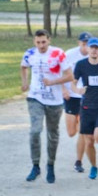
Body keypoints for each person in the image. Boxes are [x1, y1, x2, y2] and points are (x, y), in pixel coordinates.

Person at [21, 29, 66, 183]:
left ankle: (50, 165)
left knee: (52, 134)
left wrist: (53, 82)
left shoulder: (58, 54)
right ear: (34, 42)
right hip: (35, 98)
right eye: (38, 42)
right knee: (35, 131)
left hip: (54, 100)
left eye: (44, 42)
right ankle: (35, 165)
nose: (41, 45)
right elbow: (23, 66)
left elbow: (70, 75)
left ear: (49, 40)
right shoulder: (30, 54)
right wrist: (25, 82)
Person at [72, 38, 98, 179]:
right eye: (92, 48)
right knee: (89, 140)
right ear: (88, 49)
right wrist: (78, 91)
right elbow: (73, 82)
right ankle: (94, 167)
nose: (94, 50)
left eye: (97, 48)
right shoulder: (81, 65)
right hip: (86, 107)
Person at [62, 32, 91, 172]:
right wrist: (63, 89)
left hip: (86, 97)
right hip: (71, 96)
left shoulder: (95, 56)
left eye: (88, 44)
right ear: (79, 43)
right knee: (71, 132)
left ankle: (78, 162)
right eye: (83, 43)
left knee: (83, 131)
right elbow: (60, 72)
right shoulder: (69, 55)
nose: (86, 47)